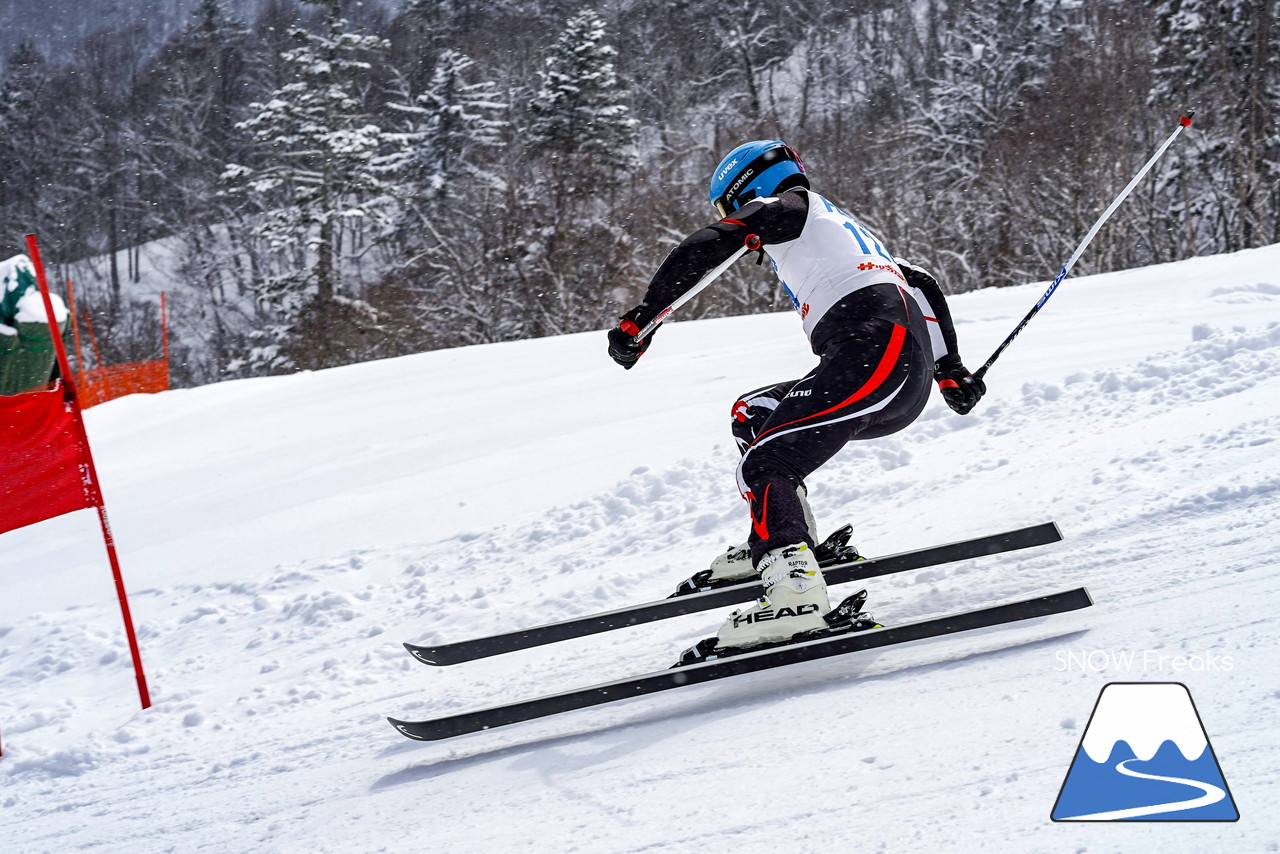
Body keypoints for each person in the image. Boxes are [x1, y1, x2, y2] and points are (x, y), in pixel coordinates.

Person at [606, 140, 987, 655]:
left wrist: (644, 317)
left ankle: (795, 593)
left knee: (767, 462)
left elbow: (709, 244)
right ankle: (787, 539)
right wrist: (948, 371)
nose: (735, 217)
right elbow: (921, 284)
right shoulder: (845, 231)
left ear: (749, 190)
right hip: (897, 371)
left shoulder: (790, 207)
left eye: (731, 204)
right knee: (753, 415)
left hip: (871, 353)